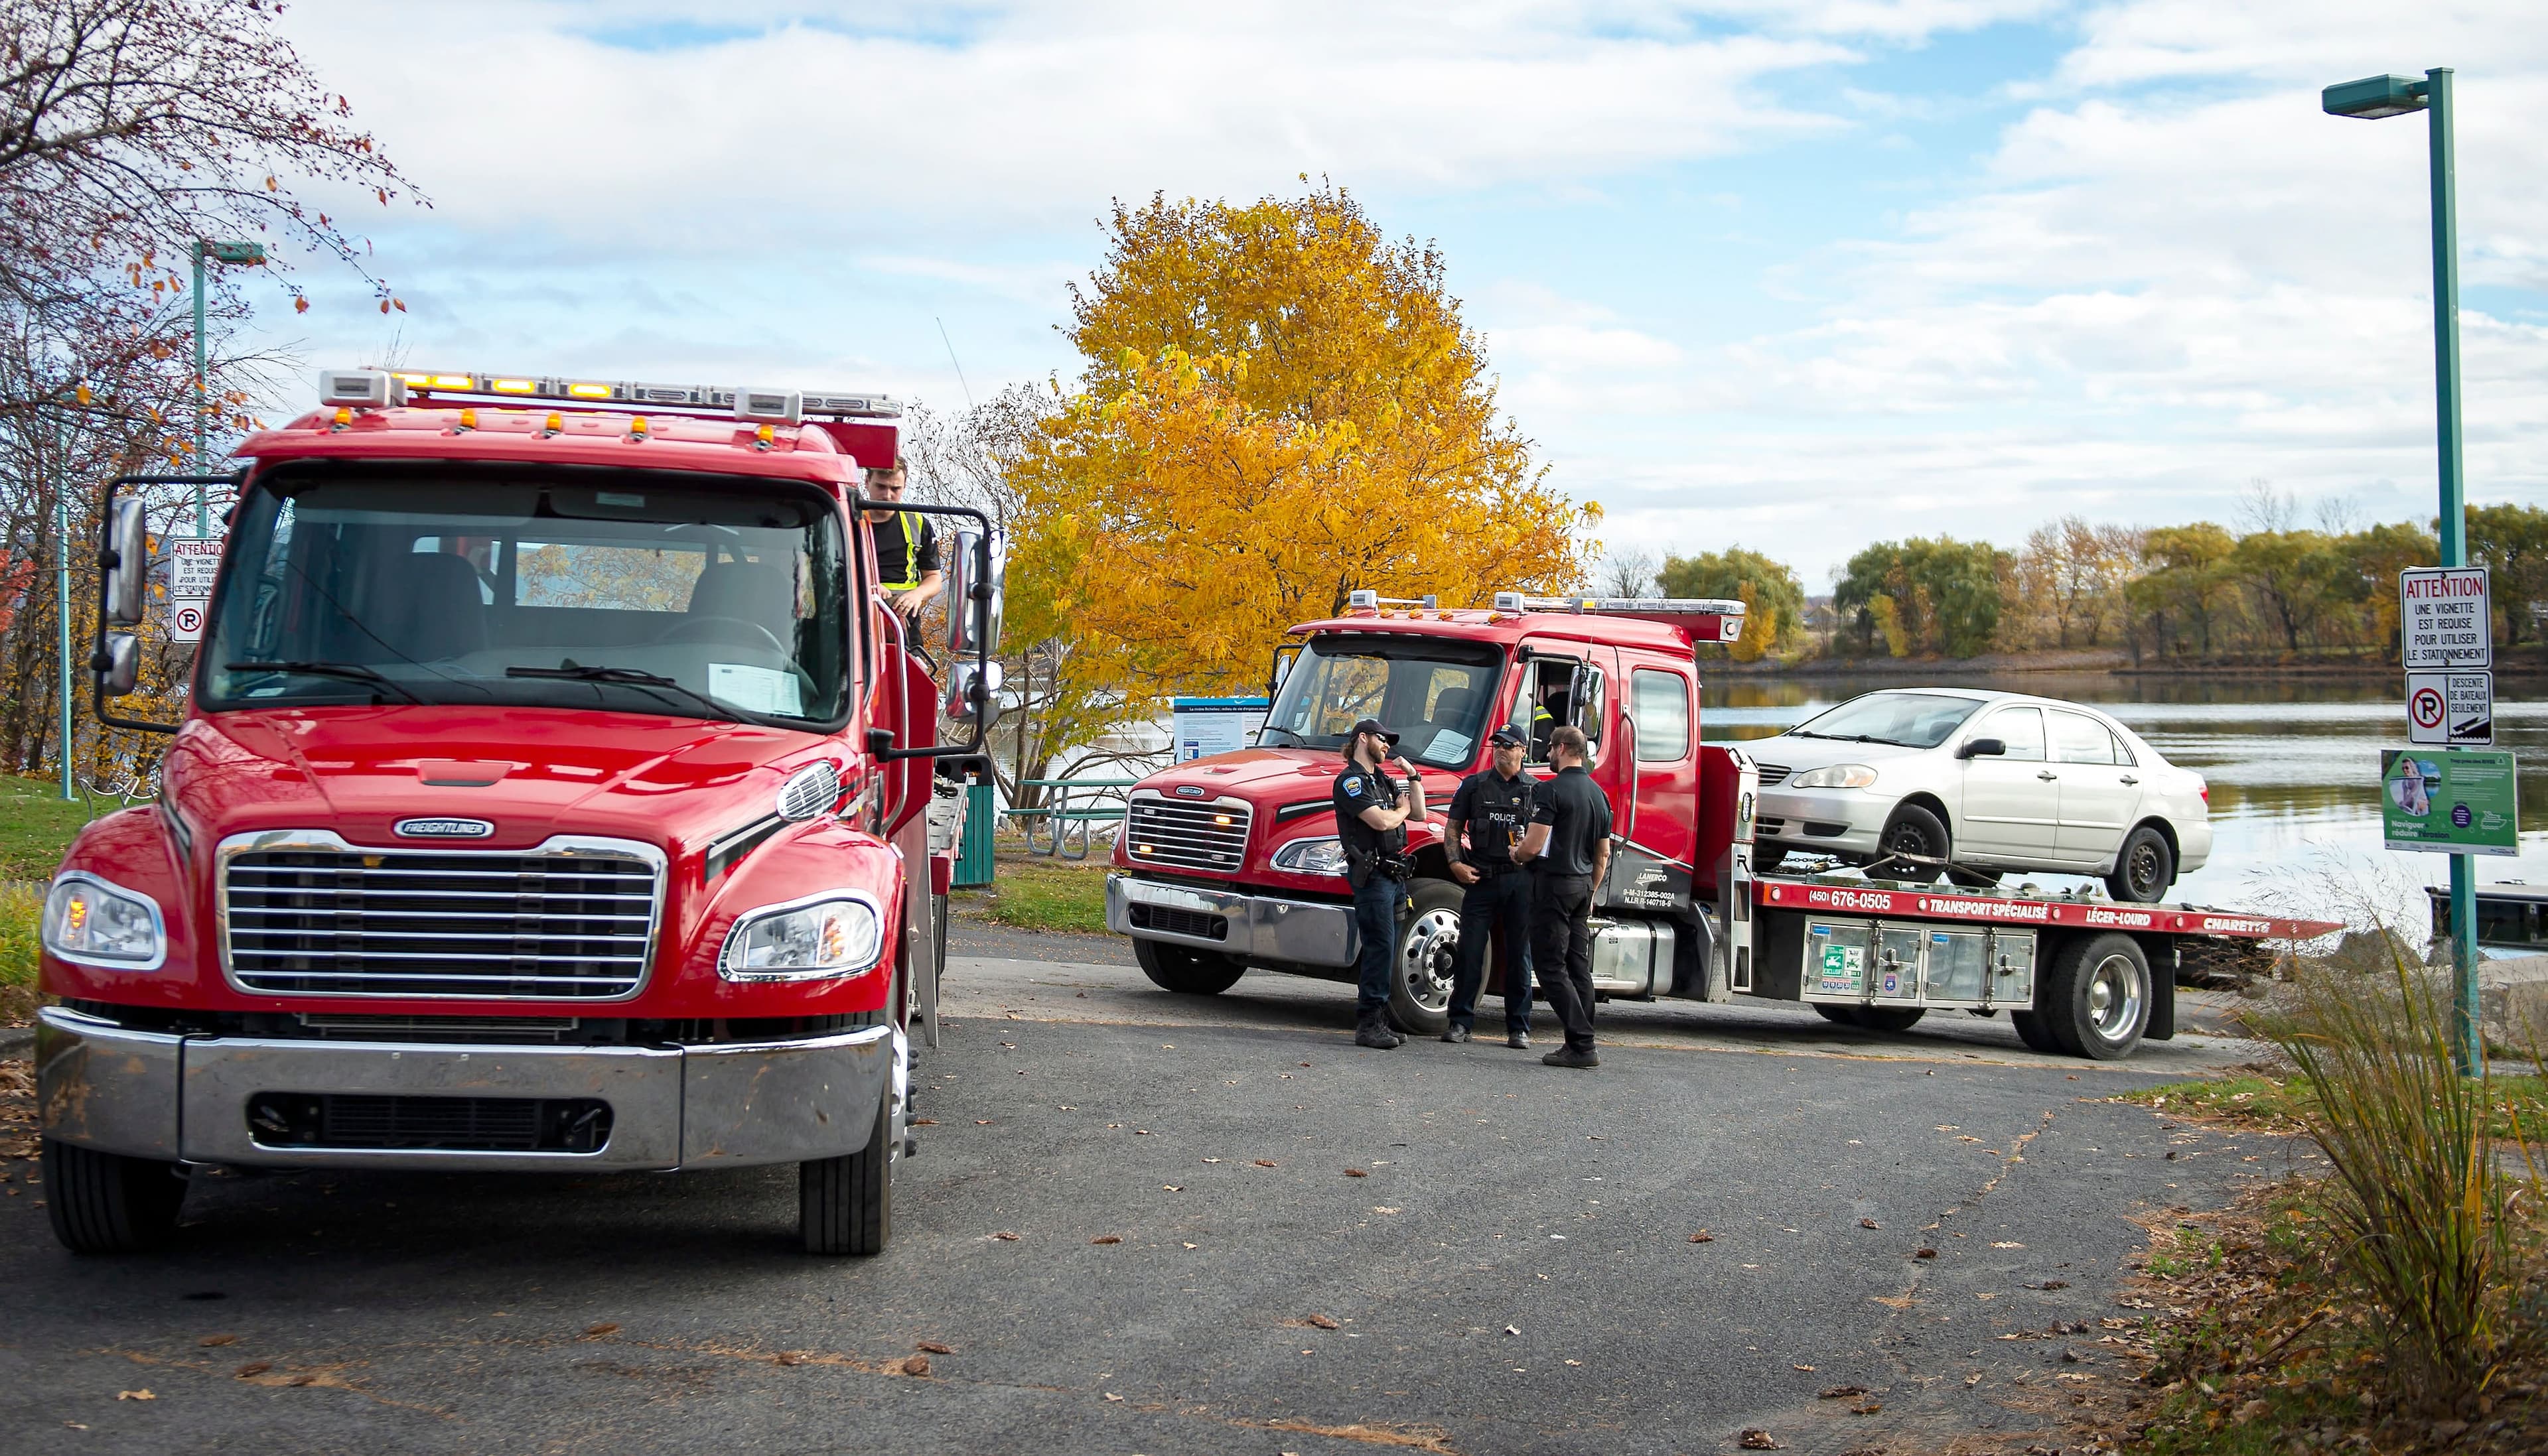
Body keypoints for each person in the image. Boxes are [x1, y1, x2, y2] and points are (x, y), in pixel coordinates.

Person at [1516, 724, 1611, 1069]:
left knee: (1550, 967)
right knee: (1577, 966)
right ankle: (1580, 1042)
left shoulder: (1550, 791)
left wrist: (1518, 854)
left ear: (1562, 749)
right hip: (1583, 884)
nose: (1548, 756)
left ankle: (1582, 1044)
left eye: (1551, 749)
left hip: (1554, 885)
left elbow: (1534, 844)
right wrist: (1591, 889)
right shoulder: (1599, 795)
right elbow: (1603, 853)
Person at [1332, 716, 1427, 1049]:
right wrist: (1399, 811)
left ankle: (1382, 1020)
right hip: (1372, 877)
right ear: (1363, 739)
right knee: (1379, 948)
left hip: (1395, 875)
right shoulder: (1351, 782)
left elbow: (1420, 813)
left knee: (1391, 950)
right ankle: (1368, 1023)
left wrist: (1413, 777)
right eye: (1382, 738)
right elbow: (1381, 820)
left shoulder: (1384, 781)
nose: (1387, 745)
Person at [1442, 725, 1537, 1048]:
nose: (1501, 750)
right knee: (1469, 951)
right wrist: (1455, 863)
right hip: (1481, 878)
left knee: (1519, 955)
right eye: (1497, 744)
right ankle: (1460, 1022)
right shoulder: (1474, 786)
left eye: (1509, 746)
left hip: (1519, 881)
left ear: (1523, 750)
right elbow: (1453, 827)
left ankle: (1519, 1028)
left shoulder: (1537, 790)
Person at [862, 456, 944, 624]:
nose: (887, 496)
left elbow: (934, 578)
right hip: (856, 619)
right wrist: (871, 586)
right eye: (881, 487)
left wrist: (918, 594)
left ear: (905, 486)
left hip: (904, 626)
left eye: (895, 489)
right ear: (867, 481)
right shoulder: (847, 520)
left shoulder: (918, 524)